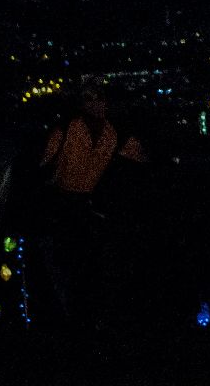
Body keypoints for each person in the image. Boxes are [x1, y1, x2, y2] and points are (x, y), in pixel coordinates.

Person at [36, 79, 147, 328]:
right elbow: (42, 161)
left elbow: (140, 156)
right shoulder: (68, 128)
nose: (95, 104)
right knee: (67, 263)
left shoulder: (112, 133)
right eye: (89, 98)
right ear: (81, 103)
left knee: (90, 265)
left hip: (86, 203)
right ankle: (70, 315)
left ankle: (87, 315)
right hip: (61, 201)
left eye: (99, 98)